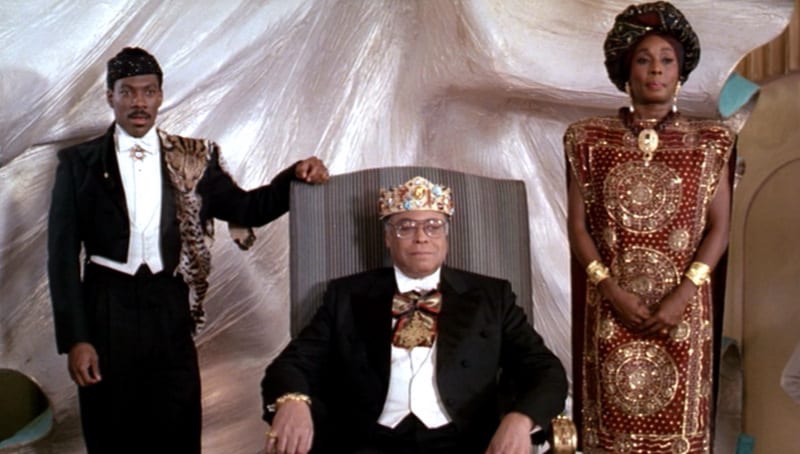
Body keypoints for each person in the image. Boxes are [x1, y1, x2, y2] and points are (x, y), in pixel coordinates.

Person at [47, 47, 329, 453]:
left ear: (161, 96)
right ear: (110, 97)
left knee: (177, 427)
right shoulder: (79, 162)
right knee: (111, 430)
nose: (139, 102)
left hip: (168, 306)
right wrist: (77, 339)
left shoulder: (193, 159)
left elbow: (246, 208)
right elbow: (61, 258)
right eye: (128, 92)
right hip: (105, 307)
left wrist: (294, 177)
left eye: (148, 92)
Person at [260, 176, 568, 453]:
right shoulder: (346, 295)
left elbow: (546, 370)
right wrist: (292, 400)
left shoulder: (492, 295)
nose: (421, 237)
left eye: (433, 226)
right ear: (387, 238)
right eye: (405, 227)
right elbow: (293, 363)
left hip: (466, 441)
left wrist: (521, 419)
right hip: (366, 441)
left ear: (446, 237)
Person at [564, 2, 735, 452]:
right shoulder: (588, 140)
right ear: (626, 70)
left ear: (680, 72)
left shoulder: (711, 142)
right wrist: (610, 290)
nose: (655, 69)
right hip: (613, 307)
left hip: (682, 311)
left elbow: (719, 229)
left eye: (666, 60)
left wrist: (683, 294)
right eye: (643, 59)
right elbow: (578, 227)